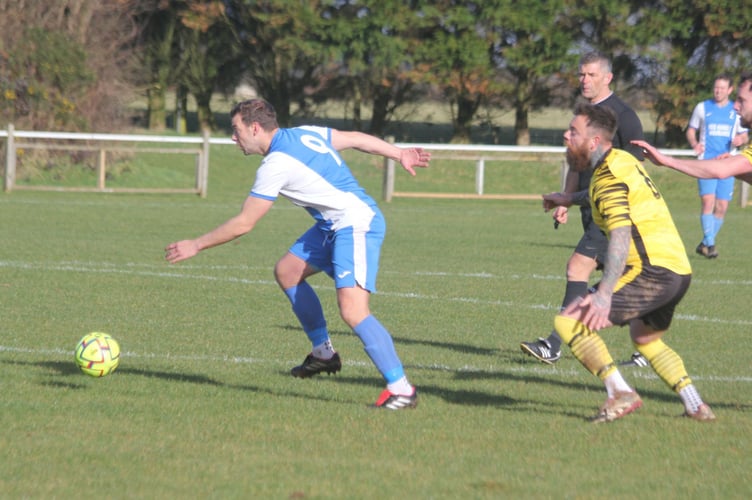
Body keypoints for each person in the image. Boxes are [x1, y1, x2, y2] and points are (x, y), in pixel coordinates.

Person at [164, 98, 430, 410]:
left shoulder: (276, 164)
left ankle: (401, 389)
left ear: (255, 127)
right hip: (333, 224)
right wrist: (399, 153)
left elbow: (245, 222)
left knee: (353, 311)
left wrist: (196, 244)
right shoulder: (304, 133)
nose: (234, 137)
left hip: (355, 224)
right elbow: (356, 139)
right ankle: (323, 354)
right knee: (288, 271)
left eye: (236, 130)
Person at [550, 103, 714, 422]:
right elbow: (601, 194)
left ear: (594, 141)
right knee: (645, 339)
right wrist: (569, 198)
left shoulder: (608, 176)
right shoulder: (621, 160)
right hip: (677, 269)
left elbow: (621, 235)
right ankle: (695, 404)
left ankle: (620, 392)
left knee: (568, 322)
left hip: (650, 271)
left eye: (573, 131)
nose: (566, 136)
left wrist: (604, 293)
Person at [520, 51, 648, 367]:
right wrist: (565, 199)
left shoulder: (625, 116)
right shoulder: (583, 114)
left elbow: (636, 167)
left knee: (577, 267)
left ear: (608, 78)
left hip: (615, 211)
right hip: (589, 206)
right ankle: (646, 350)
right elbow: (576, 162)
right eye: (581, 74)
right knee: (627, 277)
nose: (584, 80)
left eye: (591, 74)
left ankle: (553, 343)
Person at [635, 73, 752, 191]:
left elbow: (721, 170)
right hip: (710, 160)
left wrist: (667, 160)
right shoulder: (702, 107)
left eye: (741, 100)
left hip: (718, 166)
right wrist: (736, 168)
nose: (735, 106)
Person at [685, 74, 749, 259]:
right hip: (707, 163)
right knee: (708, 202)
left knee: (721, 207)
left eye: (721, 88)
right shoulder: (702, 107)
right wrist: (695, 144)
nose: (718, 91)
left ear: (730, 90)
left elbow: (744, 135)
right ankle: (711, 245)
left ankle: (705, 243)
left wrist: (740, 139)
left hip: (728, 164)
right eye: (716, 87)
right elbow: (691, 130)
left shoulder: (737, 109)